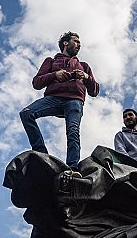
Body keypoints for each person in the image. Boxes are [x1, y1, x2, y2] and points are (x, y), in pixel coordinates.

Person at [20, 31, 99, 170]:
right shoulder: (51, 61)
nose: (79, 44)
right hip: (53, 98)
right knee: (26, 113)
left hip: (74, 101)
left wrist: (86, 77)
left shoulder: (84, 65)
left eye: (80, 42)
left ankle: (72, 168)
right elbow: (36, 83)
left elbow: (95, 91)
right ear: (65, 43)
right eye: (76, 41)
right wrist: (54, 75)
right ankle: (42, 155)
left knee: (73, 131)